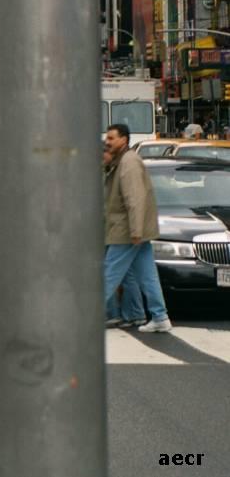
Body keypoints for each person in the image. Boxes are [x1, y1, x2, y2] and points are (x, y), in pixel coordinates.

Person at [103, 124, 172, 333]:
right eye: (107, 137)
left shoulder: (129, 162)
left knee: (109, 273)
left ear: (124, 140)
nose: (107, 141)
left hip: (127, 230)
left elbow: (135, 199)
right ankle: (160, 316)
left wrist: (136, 230)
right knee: (147, 274)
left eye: (112, 138)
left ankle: (84, 316)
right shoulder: (122, 161)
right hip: (132, 229)